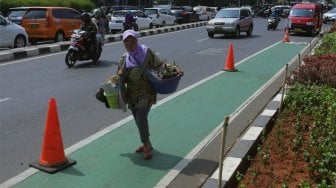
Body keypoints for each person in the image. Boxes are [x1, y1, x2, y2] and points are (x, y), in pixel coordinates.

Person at [117, 30, 164, 159]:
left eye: (132, 40)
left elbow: (160, 66)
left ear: (137, 41)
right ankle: (147, 143)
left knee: (141, 117)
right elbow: (120, 79)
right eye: (126, 41)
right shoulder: (124, 59)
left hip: (146, 92)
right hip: (132, 95)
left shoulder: (146, 52)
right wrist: (120, 75)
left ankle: (146, 146)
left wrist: (175, 72)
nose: (129, 43)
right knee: (138, 121)